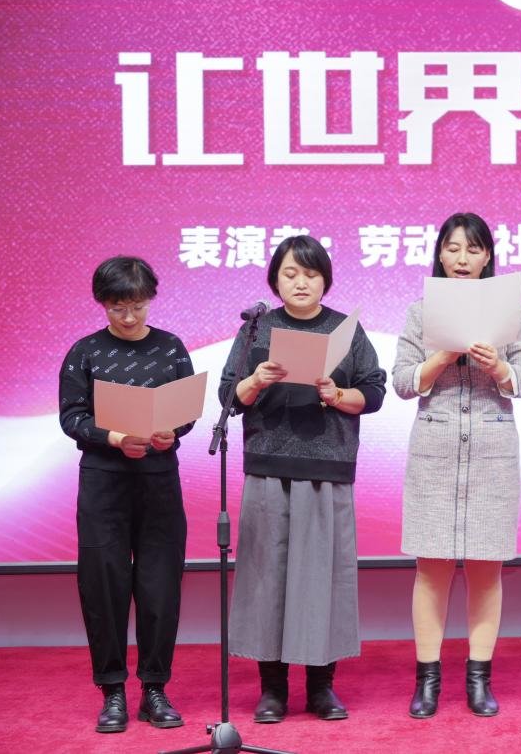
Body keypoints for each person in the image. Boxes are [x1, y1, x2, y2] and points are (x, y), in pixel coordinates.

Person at [219, 235, 387, 723]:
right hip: (268, 467)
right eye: (290, 273)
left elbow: (374, 392)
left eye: (311, 274)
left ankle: (321, 688)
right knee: (267, 580)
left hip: (326, 470)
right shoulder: (257, 329)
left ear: (325, 280)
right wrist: (257, 380)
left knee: (322, 581)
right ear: (275, 279)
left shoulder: (344, 330)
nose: (301, 282)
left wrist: (337, 395)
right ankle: (272, 690)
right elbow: (229, 396)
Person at [392, 212, 521, 719]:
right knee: (431, 572)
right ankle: (427, 681)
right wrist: (440, 357)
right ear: (440, 253)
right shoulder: (420, 312)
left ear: (487, 257)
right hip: (435, 454)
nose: (461, 258)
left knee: (485, 570)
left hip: (492, 454)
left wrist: (499, 366)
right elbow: (402, 382)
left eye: (472, 249)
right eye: (453, 248)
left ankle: (479, 679)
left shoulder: (510, 314)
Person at [58, 256, 193, 733]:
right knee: (104, 585)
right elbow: (71, 416)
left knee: (160, 588)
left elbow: (185, 412)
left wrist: (172, 432)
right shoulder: (85, 351)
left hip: (159, 479)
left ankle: (155, 689)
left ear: (150, 299)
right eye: (118, 308)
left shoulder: (171, 347)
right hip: (104, 480)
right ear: (103, 304)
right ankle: (111, 691)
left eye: (137, 306)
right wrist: (114, 437)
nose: (130, 317)